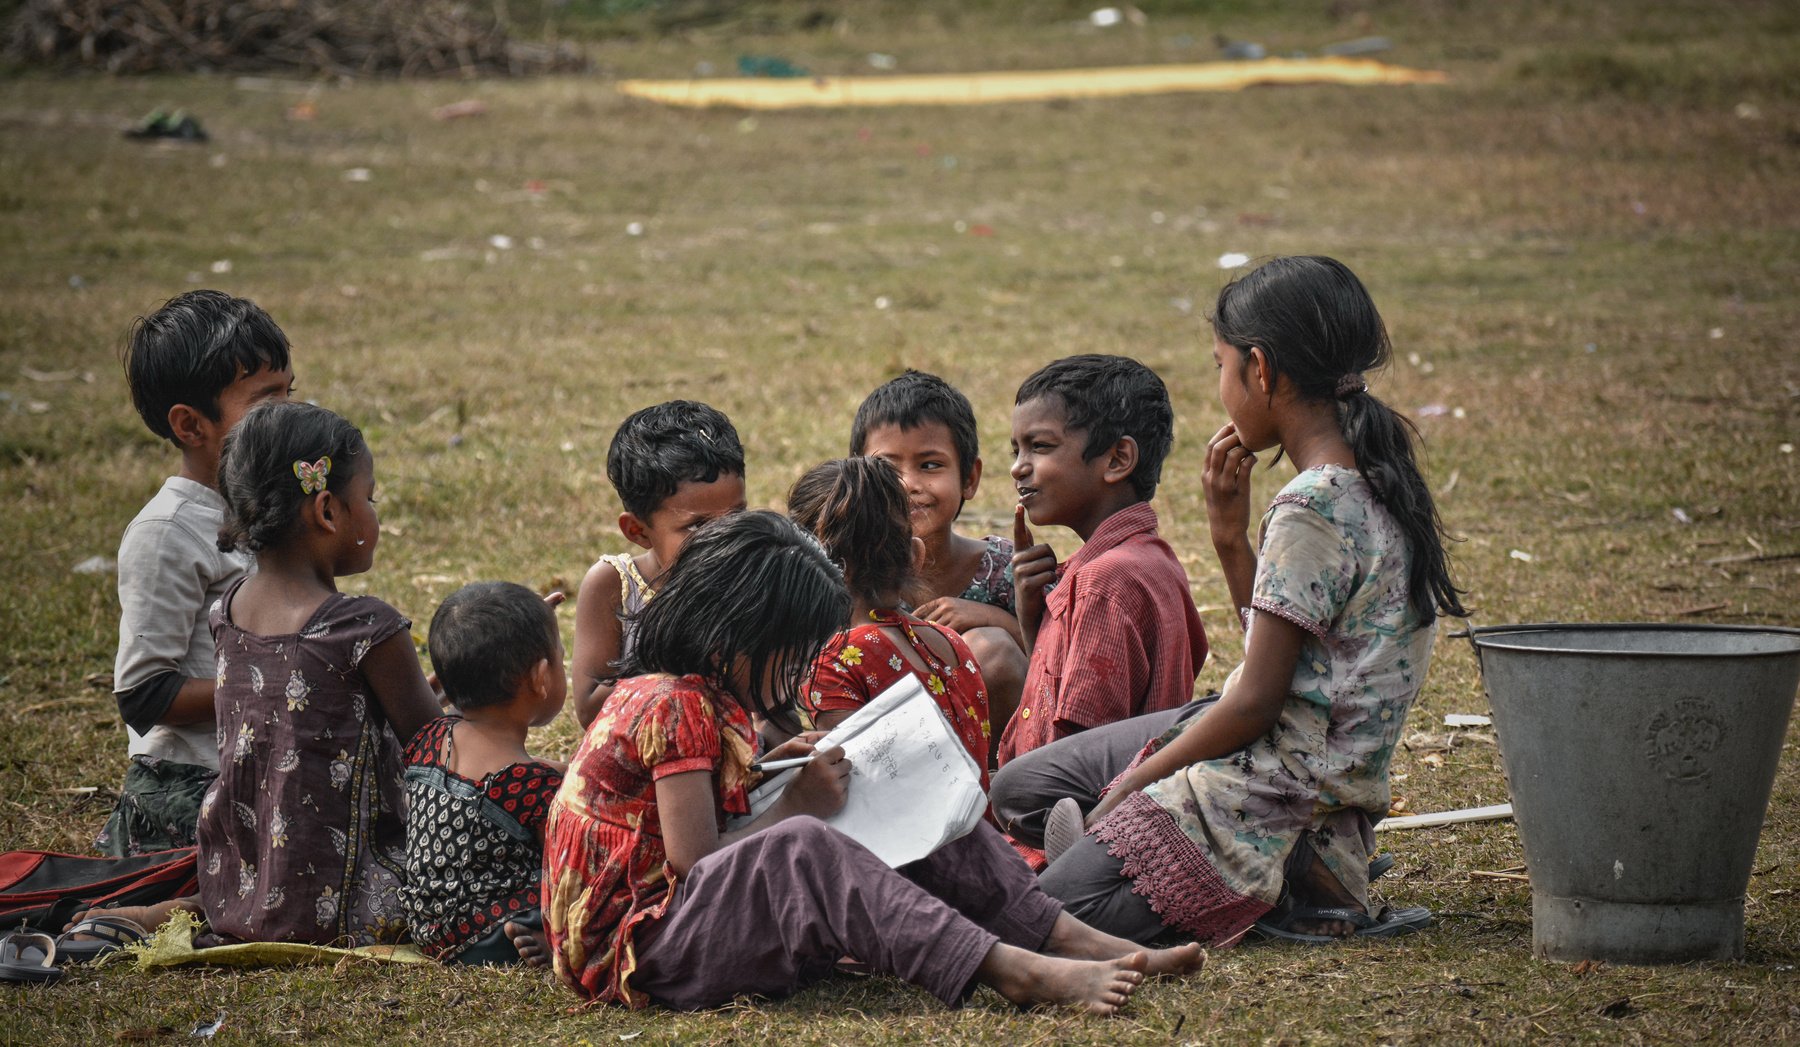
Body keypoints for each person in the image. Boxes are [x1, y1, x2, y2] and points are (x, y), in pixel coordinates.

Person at [541, 512, 1204, 1013]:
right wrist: (795, 803)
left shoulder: (703, 691)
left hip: (683, 920)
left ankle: (1063, 933)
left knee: (896, 785)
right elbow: (697, 862)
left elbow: (710, 819)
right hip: (639, 954)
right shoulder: (672, 702)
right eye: (789, 650)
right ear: (735, 634)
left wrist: (775, 768)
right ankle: (1011, 969)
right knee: (804, 843)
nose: (797, 667)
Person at [1030, 255, 1467, 946]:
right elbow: (1288, 657)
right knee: (1021, 789)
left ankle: (1281, 891)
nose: (1221, 387)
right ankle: (1106, 846)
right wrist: (1231, 541)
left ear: (1260, 371)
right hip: (1277, 740)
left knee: (1047, 918)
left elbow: (1257, 701)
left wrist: (1132, 785)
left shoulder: (1311, 506)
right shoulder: (1372, 478)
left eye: (1220, 366)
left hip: (1281, 795)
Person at [98, 290, 295, 857]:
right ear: (190, 425)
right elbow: (143, 694)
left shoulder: (269, 508)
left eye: (290, 394)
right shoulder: (168, 532)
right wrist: (284, 688)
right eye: (265, 403)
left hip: (266, 757)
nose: (289, 417)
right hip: (189, 784)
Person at [997, 355, 1208, 772]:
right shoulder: (1152, 560)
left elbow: (1073, 765)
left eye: (1040, 447)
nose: (1017, 467)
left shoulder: (1103, 583)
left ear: (1117, 460)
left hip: (1066, 825)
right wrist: (1033, 621)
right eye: (1017, 449)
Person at [850, 371, 1027, 751]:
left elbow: (1059, 662)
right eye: (887, 468)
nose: (909, 484)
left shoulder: (1004, 571)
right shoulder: (845, 573)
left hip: (994, 765)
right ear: (857, 478)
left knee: (992, 648)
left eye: (930, 465)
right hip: (888, 755)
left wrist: (997, 620)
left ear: (969, 478)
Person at [788, 457, 991, 784]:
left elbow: (855, 789)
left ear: (802, 568)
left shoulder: (834, 663)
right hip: (981, 831)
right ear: (915, 556)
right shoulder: (951, 643)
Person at [401, 582, 568, 966]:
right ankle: (552, 936)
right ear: (541, 678)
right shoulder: (535, 787)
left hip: (426, 923)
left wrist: (516, 634)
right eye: (560, 658)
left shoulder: (431, 736)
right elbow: (563, 872)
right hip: (491, 931)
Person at [570, 401, 746, 729]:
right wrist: (671, 647)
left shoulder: (750, 574)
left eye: (736, 517)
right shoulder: (614, 585)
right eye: (697, 527)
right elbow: (589, 712)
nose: (724, 538)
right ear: (638, 531)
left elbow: (767, 700)